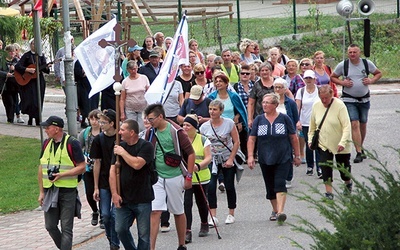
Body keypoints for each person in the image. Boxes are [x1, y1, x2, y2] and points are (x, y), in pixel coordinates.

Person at [144, 103, 195, 250]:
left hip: (175, 175)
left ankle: (181, 244)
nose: (150, 122)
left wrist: (189, 177)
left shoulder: (176, 131)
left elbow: (190, 153)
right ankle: (151, 247)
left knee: (178, 211)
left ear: (160, 116)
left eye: (152, 119)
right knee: (155, 211)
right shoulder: (150, 133)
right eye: (148, 119)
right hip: (157, 177)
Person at [247, 93, 301, 223]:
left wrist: (297, 155)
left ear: (275, 105)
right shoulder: (259, 120)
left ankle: (281, 211)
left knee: (280, 183)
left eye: (267, 102)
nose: (264, 105)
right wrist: (250, 156)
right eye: (263, 102)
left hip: (283, 157)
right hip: (265, 158)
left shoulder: (284, 118)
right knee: (270, 186)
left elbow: (293, 137)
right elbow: (252, 139)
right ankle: (275, 209)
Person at [38, 116, 86, 249]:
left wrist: (62, 175)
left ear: (57, 128)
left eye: (48, 127)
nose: (46, 130)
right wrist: (41, 191)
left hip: (67, 191)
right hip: (50, 190)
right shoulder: (47, 143)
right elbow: (41, 167)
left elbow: (82, 167)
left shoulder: (72, 143)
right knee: (50, 226)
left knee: (66, 228)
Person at [330, 44, 382, 163]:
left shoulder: (366, 63)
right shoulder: (344, 65)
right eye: (350, 52)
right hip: (349, 99)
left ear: (359, 53)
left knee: (363, 124)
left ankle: (360, 147)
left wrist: (371, 80)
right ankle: (358, 151)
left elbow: (378, 73)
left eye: (354, 52)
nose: (352, 54)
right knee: (354, 123)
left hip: (364, 99)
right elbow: (333, 77)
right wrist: (343, 83)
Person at [110, 119, 155, 250]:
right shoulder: (119, 146)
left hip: (142, 198)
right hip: (123, 198)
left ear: (132, 132)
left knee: (144, 235)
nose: (119, 132)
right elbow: (112, 171)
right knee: (120, 229)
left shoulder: (146, 146)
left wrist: (123, 153)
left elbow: (137, 164)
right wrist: (114, 193)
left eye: (122, 130)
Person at [199, 99, 240, 226]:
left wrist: (231, 159)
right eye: (210, 109)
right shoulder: (204, 127)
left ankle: (231, 213)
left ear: (221, 111)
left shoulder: (229, 123)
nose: (212, 112)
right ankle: (213, 216)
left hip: (226, 157)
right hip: (212, 159)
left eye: (215, 109)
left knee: (229, 186)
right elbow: (202, 144)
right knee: (211, 187)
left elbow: (236, 141)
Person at [308, 85, 352, 200]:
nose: (324, 100)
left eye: (326, 98)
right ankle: (329, 192)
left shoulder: (340, 106)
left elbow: (347, 126)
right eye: (321, 98)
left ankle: (348, 183)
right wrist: (310, 140)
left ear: (331, 95)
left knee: (344, 169)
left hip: (340, 144)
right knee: (325, 168)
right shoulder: (316, 106)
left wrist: (343, 142)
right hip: (323, 144)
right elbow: (312, 126)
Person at [91, 109, 120, 250]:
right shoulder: (99, 140)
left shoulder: (120, 138)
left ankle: (115, 244)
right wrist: (96, 187)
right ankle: (111, 238)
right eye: (100, 121)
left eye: (103, 122)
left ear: (112, 123)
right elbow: (97, 163)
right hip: (104, 181)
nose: (100, 124)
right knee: (106, 215)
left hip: (118, 181)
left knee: (115, 214)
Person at [182, 114, 212, 243]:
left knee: (201, 202)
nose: (185, 127)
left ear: (195, 127)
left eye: (188, 125)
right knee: (186, 204)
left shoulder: (203, 139)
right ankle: (187, 230)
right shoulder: (181, 139)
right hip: (187, 177)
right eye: (184, 125)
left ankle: (204, 223)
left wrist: (198, 166)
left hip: (201, 176)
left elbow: (208, 157)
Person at [15, 38, 50, 126]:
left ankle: (38, 118)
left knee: (39, 99)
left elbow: (46, 70)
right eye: (33, 44)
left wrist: (46, 67)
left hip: (39, 80)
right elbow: (18, 66)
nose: (35, 45)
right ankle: (31, 118)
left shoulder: (41, 56)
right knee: (31, 100)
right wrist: (27, 69)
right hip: (29, 82)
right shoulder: (26, 56)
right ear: (31, 45)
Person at [273, 78, 299, 188]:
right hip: (273, 134)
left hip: (287, 133)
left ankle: (288, 177)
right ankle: (276, 176)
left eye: (280, 87)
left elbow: (295, 118)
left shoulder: (291, 103)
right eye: (276, 87)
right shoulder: (270, 102)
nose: (277, 89)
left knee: (287, 155)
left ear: (285, 89)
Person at [296, 70, 322, 178]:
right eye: (306, 78)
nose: (308, 80)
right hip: (305, 122)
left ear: (314, 79)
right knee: (309, 143)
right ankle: (310, 165)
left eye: (310, 78)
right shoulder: (301, 91)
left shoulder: (319, 90)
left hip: (318, 121)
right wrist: (297, 121)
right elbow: (297, 107)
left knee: (319, 144)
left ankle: (319, 167)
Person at [78, 109, 102, 227]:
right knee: (89, 192)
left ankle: (103, 214)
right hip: (88, 167)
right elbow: (78, 147)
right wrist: (83, 157)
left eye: (97, 119)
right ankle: (94, 211)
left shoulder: (104, 132)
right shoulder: (85, 132)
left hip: (101, 166)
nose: (94, 122)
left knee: (102, 191)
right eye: (92, 119)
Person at [120, 60, 150, 131]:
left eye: (135, 69)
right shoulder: (125, 82)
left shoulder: (144, 78)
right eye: (131, 69)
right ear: (128, 70)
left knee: (142, 128)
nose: (134, 71)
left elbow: (149, 93)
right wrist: (122, 113)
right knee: (131, 128)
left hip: (143, 108)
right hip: (130, 109)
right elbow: (122, 99)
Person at [0, 44, 20, 124]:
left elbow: (21, 69)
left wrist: (15, 69)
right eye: (10, 52)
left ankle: (11, 118)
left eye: (13, 52)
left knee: (15, 102)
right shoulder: (2, 61)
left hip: (14, 85)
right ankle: (10, 119)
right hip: (5, 86)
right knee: (9, 103)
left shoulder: (16, 61)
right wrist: (5, 74)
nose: (12, 53)